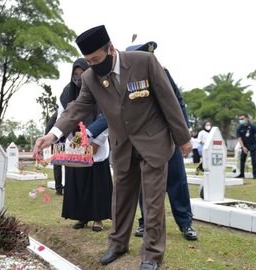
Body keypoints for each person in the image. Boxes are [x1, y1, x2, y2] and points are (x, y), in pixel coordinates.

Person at [33, 26, 192, 270]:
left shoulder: (145, 62)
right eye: (88, 61)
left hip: (153, 141)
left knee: (152, 201)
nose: (93, 66)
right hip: (122, 145)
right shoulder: (90, 78)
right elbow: (77, 108)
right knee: (121, 199)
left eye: (96, 59)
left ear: (110, 49)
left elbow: (168, 100)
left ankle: (151, 255)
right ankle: (117, 245)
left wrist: (183, 138)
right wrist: (53, 134)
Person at [86, 41, 197, 241]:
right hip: (142, 143)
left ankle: (185, 223)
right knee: (146, 187)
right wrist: (88, 133)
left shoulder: (161, 72)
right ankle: (145, 222)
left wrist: (183, 136)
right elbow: (113, 114)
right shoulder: (119, 80)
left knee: (177, 181)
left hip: (168, 137)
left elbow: (176, 102)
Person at [58, 58, 113, 232]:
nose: (79, 78)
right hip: (75, 143)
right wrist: (68, 138)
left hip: (96, 142)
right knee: (78, 181)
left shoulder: (100, 88)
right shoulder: (67, 93)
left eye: (82, 74)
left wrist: (97, 141)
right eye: (75, 75)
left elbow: (107, 116)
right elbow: (64, 116)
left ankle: (98, 219)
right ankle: (81, 216)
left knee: (96, 182)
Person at [235, 113, 256, 179]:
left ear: (247, 119)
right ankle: (242, 174)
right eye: (240, 119)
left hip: (253, 145)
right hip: (245, 145)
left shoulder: (252, 126)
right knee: (242, 159)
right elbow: (239, 138)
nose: (241, 120)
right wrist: (243, 147)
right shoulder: (239, 128)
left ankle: (255, 175)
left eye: (242, 119)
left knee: (254, 160)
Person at [44, 111, 64, 195]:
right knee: (58, 165)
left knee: (71, 164)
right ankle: (59, 188)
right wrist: (47, 139)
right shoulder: (58, 113)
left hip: (69, 141)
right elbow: (50, 125)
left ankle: (60, 187)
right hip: (59, 142)